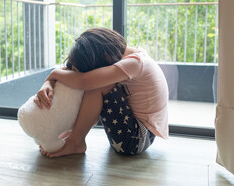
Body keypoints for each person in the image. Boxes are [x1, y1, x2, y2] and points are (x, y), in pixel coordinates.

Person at [34, 27, 169, 157]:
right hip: (134, 133)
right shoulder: (124, 55)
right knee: (89, 80)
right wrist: (49, 82)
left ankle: (76, 142)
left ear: (106, 57)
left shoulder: (135, 63)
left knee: (98, 85)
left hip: (136, 139)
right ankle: (73, 134)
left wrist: (53, 74)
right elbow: (69, 72)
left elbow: (84, 81)